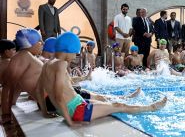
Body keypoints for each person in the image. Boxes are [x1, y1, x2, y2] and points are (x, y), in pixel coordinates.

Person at [36, 32, 167, 127]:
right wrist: (70, 122)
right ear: (68, 50)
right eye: (74, 54)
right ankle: (151, 107)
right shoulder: (61, 64)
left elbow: (38, 90)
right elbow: (58, 96)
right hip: (77, 110)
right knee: (117, 106)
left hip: (76, 104)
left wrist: (45, 112)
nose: (73, 58)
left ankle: (129, 97)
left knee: (104, 98)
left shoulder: (47, 64)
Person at [1, 29, 45, 123]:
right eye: (39, 41)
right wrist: (6, 114)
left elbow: (18, 85)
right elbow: (7, 86)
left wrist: (12, 103)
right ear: (30, 43)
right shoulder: (23, 56)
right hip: (51, 101)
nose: (42, 43)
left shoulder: (26, 56)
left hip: (48, 100)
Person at [0, 40, 16, 106]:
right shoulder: (9, 62)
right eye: (13, 50)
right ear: (6, 52)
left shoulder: (1, 61)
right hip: (5, 93)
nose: (15, 52)